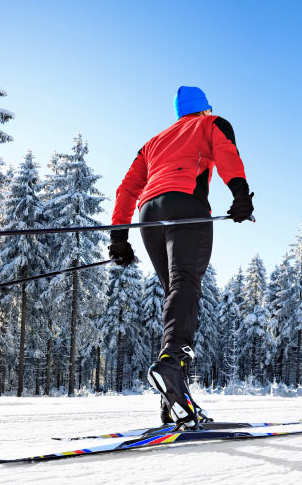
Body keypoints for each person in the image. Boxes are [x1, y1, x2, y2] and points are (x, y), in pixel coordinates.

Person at [108, 86, 255, 428]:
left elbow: (127, 188)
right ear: (204, 109)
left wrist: (119, 238)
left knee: (176, 296)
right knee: (185, 285)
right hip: (186, 205)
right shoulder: (211, 124)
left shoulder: (152, 143)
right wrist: (240, 196)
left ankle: (174, 401)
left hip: (149, 214)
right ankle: (172, 365)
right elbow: (227, 154)